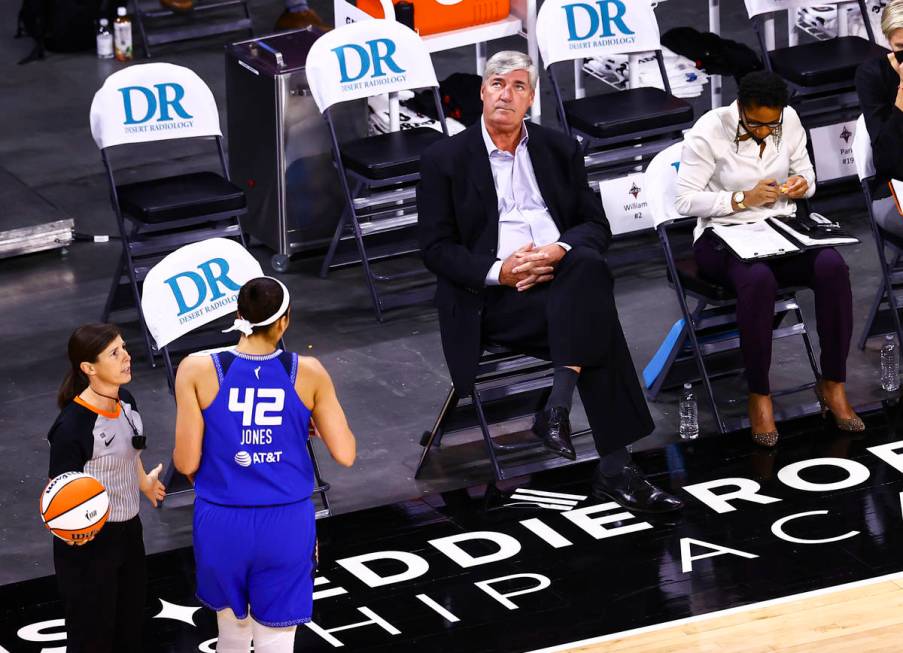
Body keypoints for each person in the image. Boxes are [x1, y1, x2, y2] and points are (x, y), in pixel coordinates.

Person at [416, 50, 683, 513]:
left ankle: (561, 411)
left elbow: (595, 226)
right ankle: (615, 469)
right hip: (495, 298)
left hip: (561, 281)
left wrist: (556, 251)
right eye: (498, 83)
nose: (507, 93)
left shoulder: (557, 148)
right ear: (482, 92)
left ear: (531, 99)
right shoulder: (445, 159)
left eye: (519, 86)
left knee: (584, 268)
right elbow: (436, 250)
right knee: (595, 311)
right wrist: (504, 270)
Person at [675, 70, 863, 447]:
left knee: (832, 267)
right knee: (758, 279)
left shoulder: (788, 119)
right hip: (721, 235)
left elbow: (806, 174)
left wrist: (800, 185)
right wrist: (741, 199)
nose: (764, 131)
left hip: (779, 228)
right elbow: (684, 201)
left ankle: (833, 383)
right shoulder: (708, 131)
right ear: (741, 109)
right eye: (756, 124)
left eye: (770, 125)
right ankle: (759, 394)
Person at [173, 276, 355, 653]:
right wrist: (309, 420)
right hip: (285, 523)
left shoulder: (195, 369)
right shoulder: (309, 372)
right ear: (284, 321)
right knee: (276, 642)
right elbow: (346, 454)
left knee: (232, 634)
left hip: (222, 520)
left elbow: (186, 461)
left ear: (239, 314)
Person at [47, 323, 166, 653]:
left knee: (129, 629)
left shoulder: (126, 401)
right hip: (91, 546)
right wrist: (78, 534)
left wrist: (143, 483)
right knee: (92, 638)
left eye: (124, 348)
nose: (126, 357)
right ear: (88, 368)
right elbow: (58, 495)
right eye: (114, 353)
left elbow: (130, 451)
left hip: (130, 533)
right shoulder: (73, 427)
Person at [856, 0, 903, 239]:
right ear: (888, 41)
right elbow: (888, 158)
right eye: (901, 47)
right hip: (895, 187)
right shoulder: (871, 75)